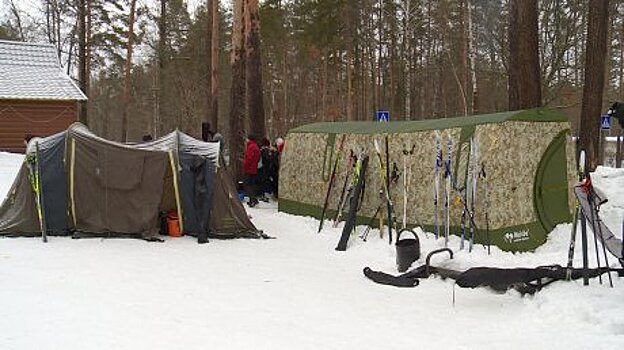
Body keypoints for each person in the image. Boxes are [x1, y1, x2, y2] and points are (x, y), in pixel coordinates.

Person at [243, 134, 261, 207]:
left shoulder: (250, 147)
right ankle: (253, 200)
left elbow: (248, 158)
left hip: (249, 169)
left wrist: (245, 165)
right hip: (254, 168)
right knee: (252, 184)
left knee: (247, 184)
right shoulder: (256, 147)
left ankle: (252, 199)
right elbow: (258, 157)